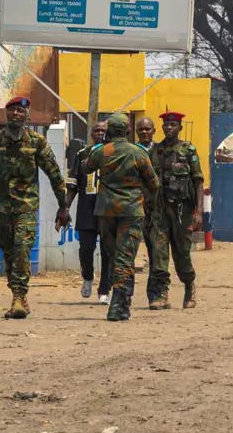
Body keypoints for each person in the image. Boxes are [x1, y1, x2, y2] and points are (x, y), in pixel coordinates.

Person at [0, 95, 69, 319]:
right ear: (6, 114)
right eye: (12, 110)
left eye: (21, 111)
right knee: (9, 253)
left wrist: (63, 205)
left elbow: (54, 173)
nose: (16, 114)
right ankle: (18, 297)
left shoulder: (36, 142)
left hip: (26, 206)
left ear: (27, 116)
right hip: (1, 207)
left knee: (22, 249)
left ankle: (19, 296)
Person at [84, 112, 160, 321]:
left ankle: (123, 300)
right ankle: (119, 304)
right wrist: (147, 200)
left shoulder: (101, 151)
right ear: (127, 130)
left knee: (114, 255)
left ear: (108, 131)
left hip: (106, 212)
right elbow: (154, 183)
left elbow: (85, 168)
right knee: (126, 257)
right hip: (131, 211)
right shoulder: (138, 153)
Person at [154, 111, 205, 309]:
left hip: (181, 210)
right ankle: (162, 294)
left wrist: (199, 212)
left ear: (180, 127)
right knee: (159, 252)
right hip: (160, 210)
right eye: (166, 125)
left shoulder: (188, 151)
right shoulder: (156, 151)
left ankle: (189, 285)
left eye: (173, 125)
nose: (168, 128)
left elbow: (198, 181)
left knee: (181, 253)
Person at [66, 119, 112, 303]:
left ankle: (104, 290)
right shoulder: (82, 154)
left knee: (108, 251)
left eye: (103, 130)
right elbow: (73, 184)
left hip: (109, 210)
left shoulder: (113, 154)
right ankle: (87, 277)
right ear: (91, 134)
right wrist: (65, 207)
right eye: (97, 130)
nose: (100, 133)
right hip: (87, 209)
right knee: (86, 248)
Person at [135, 116, 166, 308]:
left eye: (148, 129)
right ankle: (123, 295)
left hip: (157, 210)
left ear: (154, 131)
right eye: (141, 130)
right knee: (127, 253)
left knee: (157, 252)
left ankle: (157, 294)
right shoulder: (131, 152)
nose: (145, 132)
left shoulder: (161, 151)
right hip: (134, 208)